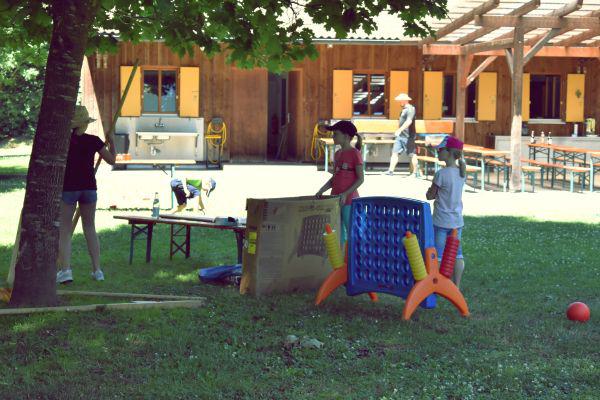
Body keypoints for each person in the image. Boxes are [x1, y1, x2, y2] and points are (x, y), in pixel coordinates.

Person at [57, 105, 116, 284]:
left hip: (69, 188)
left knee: (64, 230)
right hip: (89, 188)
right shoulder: (93, 140)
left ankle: (66, 271)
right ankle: (97, 270)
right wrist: (112, 143)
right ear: (85, 123)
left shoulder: (63, 141)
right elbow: (112, 160)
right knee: (90, 227)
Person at [425, 135, 467, 288]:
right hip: (457, 222)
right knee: (457, 254)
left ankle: (437, 285)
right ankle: (456, 286)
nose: (438, 152)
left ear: (449, 153)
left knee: (438, 254)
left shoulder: (441, 174)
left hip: (441, 221)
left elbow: (430, 196)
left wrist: (429, 191)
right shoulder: (462, 173)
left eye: (440, 150)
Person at [315, 120, 364, 248]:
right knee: (338, 232)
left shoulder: (355, 154)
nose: (333, 136)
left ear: (346, 136)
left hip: (349, 202)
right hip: (335, 200)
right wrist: (322, 190)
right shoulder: (338, 154)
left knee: (352, 232)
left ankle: (353, 257)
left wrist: (345, 194)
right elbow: (335, 178)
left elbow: (360, 179)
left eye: (336, 134)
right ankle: (341, 257)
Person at [383, 93, 418, 176]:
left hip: (408, 136)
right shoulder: (404, 109)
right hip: (400, 136)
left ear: (405, 100)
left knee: (412, 154)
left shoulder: (411, 109)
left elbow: (409, 121)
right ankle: (390, 171)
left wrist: (399, 130)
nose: (399, 102)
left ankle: (415, 173)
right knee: (395, 153)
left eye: (400, 100)